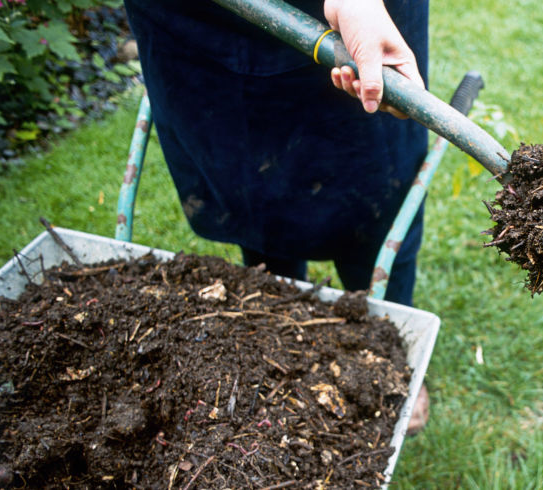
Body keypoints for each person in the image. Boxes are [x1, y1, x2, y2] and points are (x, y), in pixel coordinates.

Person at [123, 0, 430, 433]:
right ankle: (279, 342)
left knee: (378, 191)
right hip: (201, 26)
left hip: (356, 15)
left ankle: (392, 350)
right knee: (249, 189)